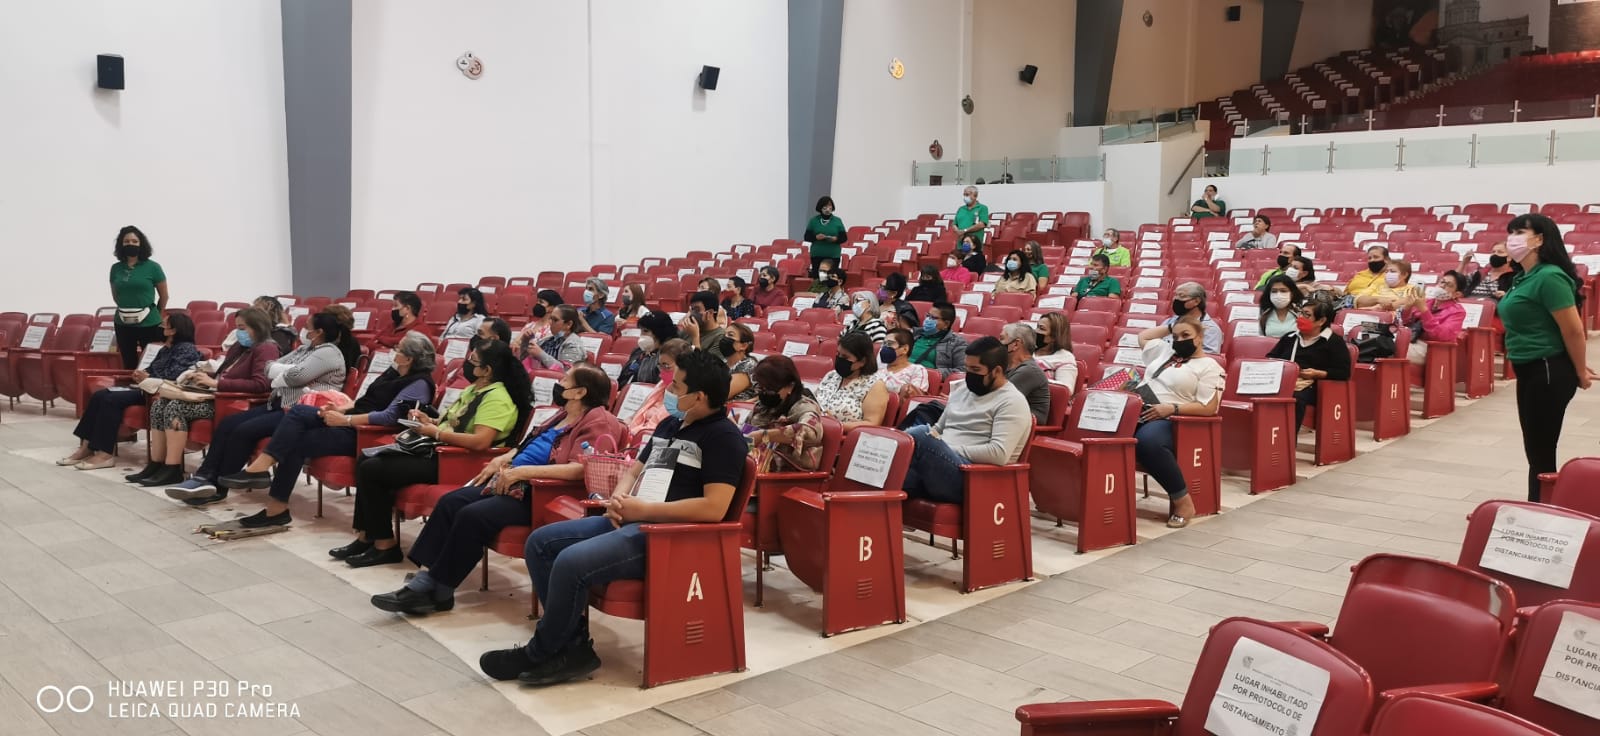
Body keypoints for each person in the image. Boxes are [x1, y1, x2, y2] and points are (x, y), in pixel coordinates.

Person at [478, 349, 747, 686]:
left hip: (668, 535)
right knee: (541, 543)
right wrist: (618, 497)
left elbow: (714, 508)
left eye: (677, 386)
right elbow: (633, 470)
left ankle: (541, 650)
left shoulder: (723, 438)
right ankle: (571, 647)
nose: (669, 391)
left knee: (570, 562)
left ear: (700, 396)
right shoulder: (670, 424)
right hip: (634, 518)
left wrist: (644, 511)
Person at [368, 364, 624, 615]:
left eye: (565, 380)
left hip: (539, 493)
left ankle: (437, 589)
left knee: (473, 516)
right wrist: (503, 458)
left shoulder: (599, 420)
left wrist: (522, 472)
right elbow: (527, 445)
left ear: (580, 392)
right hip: (512, 480)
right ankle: (428, 582)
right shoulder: (561, 414)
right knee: (451, 502)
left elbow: (580, 468)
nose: (560, 383)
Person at [343, 340, 532, 567]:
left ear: (487, 370)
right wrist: (429, 421)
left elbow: (480, 441)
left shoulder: (497, 398)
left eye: (472, 361)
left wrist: (436, 433)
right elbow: (452, 423)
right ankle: (366, 536)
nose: (467, 364)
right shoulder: (475, 389)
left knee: (373, 469)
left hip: (459, 462)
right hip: (441, 452)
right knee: (367, 457)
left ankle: (385, 545)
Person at [221, 332, 438, 529]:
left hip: (364, 433)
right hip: (351, 420)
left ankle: (274, 504)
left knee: (295, 442)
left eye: (398, 348)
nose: (393, 351)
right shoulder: (393, 373)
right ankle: (265, 481)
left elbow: (390, 417)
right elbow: (366, 400)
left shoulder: (420, 384)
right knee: (298, 412)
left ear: (409, 359)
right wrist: (339, 409)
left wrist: (346, 419)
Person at [162, 309, 358, 505]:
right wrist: (286, 373)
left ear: (318, 332)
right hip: (278, 403)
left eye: (307, 327)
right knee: (228, 423)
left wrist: (284, 373)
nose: (302, 330)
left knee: (243, 430)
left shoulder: (328, 353)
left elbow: (296, 376)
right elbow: (269, 368)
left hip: (302, 411)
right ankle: (203, 477)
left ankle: (219, 487)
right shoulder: (303, 350)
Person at [1497, 214, 1593, 502]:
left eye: (1520, 232)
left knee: (1541, 451)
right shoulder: (1522, 277)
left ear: (1539, 239)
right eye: (1511, 232)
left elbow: (1573, 330)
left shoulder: (1550, 276)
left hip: (1547, 369)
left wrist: (1580, 371)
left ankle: (1541, 509)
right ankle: (1539, 505)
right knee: (1535, 450)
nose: (1512, 238)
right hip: (1528, 368)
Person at [137, 308, 279, 487]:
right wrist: (202, 378)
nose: (238, 332)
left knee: (175, 407)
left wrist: (216, 384)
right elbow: (224, 373)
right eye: (237, 328)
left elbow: (260, 385)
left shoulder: (267, 348)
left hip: (231, 402)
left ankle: (172, 468)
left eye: (242, 328)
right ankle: (156, 464)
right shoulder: (239, 346)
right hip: (214, 395)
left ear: (257, 326)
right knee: (159, 404)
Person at [63, 313, 202, 472]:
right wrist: (140, 374)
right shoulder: (165, 349)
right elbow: (151, 369)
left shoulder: (187, 349)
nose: (161, 327)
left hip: (159, 392)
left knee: (111, 400)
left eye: (164, 324)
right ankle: (86, 448)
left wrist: (148, 377)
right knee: (99, 395)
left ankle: (104, 455)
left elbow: (175, 376)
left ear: (174, 330)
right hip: (145, 387)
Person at [901, 337, 1031, 504]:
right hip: (939, 465)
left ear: (997, 371)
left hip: (973, 477)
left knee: (919, 434)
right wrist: (934, 448)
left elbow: (999, 453)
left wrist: (945, 449)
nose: (969, 374)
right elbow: (938, 429)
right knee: (888, 475)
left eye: (975, 369)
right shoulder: (962, 390)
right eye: (967, 368)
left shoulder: (1012, 401)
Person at [1133, 320, 1224, 528]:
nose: (1179, 340)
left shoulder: (1209, 366)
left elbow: (1209, 407)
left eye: (1186, 335)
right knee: (1102, 432)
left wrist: (1172, 408)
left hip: (1170, 419)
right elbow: (1144, 336)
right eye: (1175, 337)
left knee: (1148, 442)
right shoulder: (1165, 352)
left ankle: (1183, 502)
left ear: (1200, 337)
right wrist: (1174, 324)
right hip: (1138, 409)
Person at [1267, 300, 1351, 434]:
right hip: (1285, 381)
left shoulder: (1334, 342)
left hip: (1315, 386)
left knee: (1294, 398)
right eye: (1300, 313)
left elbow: (1343, 372)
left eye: (1307, 315)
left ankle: (1286, 441)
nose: (1300, 317)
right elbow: (1270, 358)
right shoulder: (1290, 338)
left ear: (1321, 321)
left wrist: (1318, 374)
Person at [745, 355, 826, 473]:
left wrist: (764, 435)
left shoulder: (804, 406)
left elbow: (809, 430)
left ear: (790, 386)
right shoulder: (762, 407)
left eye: (770, 389)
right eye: (760, 388)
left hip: (787, 473)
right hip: (754, 465)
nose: (764, 393)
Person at [108, 225, 170, 369]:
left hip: (149, 322)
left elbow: (164, 296)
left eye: (134, 241)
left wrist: (157, 313)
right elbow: (116, 296)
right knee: (128, 363)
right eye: (126, 241)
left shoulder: (153, 267)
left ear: (141, 244)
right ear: (121, 244)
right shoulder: (116, 268)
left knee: (151, 365)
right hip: (122, 323)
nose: (131, 244)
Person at [814, 332, 890, 431]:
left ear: (862, 361)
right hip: (814, 427)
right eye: (838, 354)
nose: (839, 359)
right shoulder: (831, 375)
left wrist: (836, 425)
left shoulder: (875, 385)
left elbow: (871, 423)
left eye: (845, 357)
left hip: (842, 435)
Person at [625, 339, 693, 439]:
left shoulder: (688, 397)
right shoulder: (662, 384)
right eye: (660, 366)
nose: (661, 373)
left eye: (666, 366)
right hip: (636, 434)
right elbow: (634, 417)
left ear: (684, 368)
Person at [1402, 271, 1467, 366]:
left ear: (1457, 294)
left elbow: (1441, 336)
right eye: (1442, 282)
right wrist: (1407, 307)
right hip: (1411, 340)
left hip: (1430, 348)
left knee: (1393, 349)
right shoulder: (1427, 302)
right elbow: (1405, 323)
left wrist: (1424, 311)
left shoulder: (1458, 312)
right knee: (1385, 345)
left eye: (1449, 285)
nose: (1442, 286)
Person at [1000, 323, 1052, 424]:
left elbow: (1000, 399)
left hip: (1026, 424)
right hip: (1008, 418)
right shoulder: (1006, 365)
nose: (998, 344)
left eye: (1002, 339)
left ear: (1015, 344)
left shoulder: (1030, 371)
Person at [618, 311, 678, 387]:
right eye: (641, 331)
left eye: (645, 331)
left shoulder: (668, 359)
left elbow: (666, 386)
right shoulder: (638, 352)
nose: (641, 335)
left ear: (660, 333)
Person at [1163, 282, 1223, 354]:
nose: (1175, 299)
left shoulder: (1210, 329)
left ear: (1196, 301)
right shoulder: (1169, 321)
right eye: (1175, 295)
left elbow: (1209, 356)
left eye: (1181, 296)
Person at [911, 302, 969, 377]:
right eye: (928, 315)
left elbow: (962, 370)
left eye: (933, 318)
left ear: (946, 324)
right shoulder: (914, 334)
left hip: (927, 379)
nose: (928, 320)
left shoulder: (957, 343)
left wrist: (934, 374)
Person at [525, 305, 588, 371]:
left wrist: (540, 354)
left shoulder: (574, 344)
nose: (550, 323)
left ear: (569, 324)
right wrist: (525, 341)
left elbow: (567, 370)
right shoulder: (548, 339)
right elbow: (524, 359)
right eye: (550, 318)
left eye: (555, 320)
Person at [1032, 312, 1078, 391]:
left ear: (1054, 336)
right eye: (1037, 327)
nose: (1036, 331)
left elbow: (1066, 390)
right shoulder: (1028, 349)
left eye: (1041, 329)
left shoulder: (1065, 358)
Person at [879, 328, 931, 398]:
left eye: (890, 344)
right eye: (884, 344)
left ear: (905, 349)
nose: (885, 347)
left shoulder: (917, 370)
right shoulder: (880, 368)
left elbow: (914, 398)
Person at [804, 196, 847, 278]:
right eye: (825, 206)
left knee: (830, 278)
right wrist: (816, 237)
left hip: (833, 255)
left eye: (829, 205)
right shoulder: (813, 221)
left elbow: (844, 237)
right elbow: (807, 236)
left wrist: (835, 239)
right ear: (820, 207)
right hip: (817, 255)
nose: (827, 208)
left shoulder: (837, 221)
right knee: (819, 278)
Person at [1354, 258, 1422, 310]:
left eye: (1392, 271)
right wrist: (1379, 300)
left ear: (1404, 275)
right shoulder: (1376, 285)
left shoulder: (1412, 289)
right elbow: (1359, 300)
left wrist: (1378, 307)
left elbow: (1406, 304)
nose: (1388, 274)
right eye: (1386, 271)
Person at [679, 291, 727, 358]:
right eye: (692, 310)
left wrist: (695, 337)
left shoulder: (720, 337)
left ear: (710, 313)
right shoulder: (689, 329)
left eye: (697, 310)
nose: (692, 314)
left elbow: (704, 364)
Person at [516, 290, 564, 354]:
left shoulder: (553, 328)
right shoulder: (529, 326)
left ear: (552, 308)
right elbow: (516, 343)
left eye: (541, 302)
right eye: (537, 301)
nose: (537, 304)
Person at [954, 186, 991, 270]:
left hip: (974, 246)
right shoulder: (961, 209)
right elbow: (954, 224)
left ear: (975, 195)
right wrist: (958, 231)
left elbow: (982, 224)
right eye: (964, 194)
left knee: (973, 269)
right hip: (961, 246)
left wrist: (965, 231)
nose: (965, 197)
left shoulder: (982, 208)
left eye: (967, 194)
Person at [721, 322, 758, 402]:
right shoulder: (723, 362)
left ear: (743, 346)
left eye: (730, 335)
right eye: (724, 335)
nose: (725, 338)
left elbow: (721, 395)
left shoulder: (748, 365)